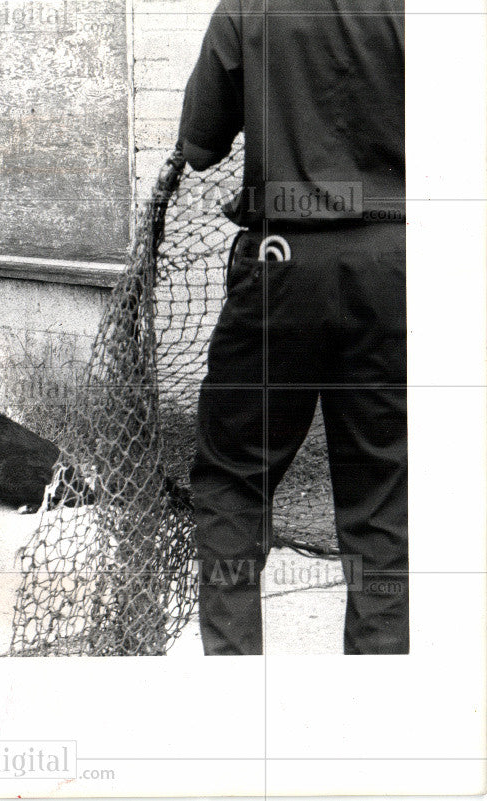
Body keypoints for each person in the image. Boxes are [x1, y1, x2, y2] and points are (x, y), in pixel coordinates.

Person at [179, 0, 407, 654]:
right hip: (396, 267)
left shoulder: (247, 6)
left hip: (283, 259)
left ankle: (236, 685)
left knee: (232, 480)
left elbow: (199, 149)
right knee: (384, 501)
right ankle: (376, 705)